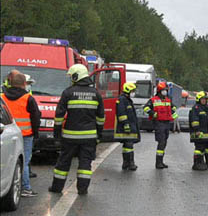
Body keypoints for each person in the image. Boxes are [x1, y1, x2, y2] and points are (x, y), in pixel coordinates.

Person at [50, 64, 104, 195]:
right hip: (89, 137)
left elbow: (59, 117)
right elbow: (101, 118)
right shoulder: (96, 94)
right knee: (85, 164)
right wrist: (99, 136)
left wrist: (57, 136)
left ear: (76, 76)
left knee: (63, 163)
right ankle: (82, 189)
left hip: (70, 137)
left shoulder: (68, 92)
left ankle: (57, 188)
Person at [1, 72, 41, 197]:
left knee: (9, 161)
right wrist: (35, 133)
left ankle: (11, 186)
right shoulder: (28, 98)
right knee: (24, 162)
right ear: (24, 84)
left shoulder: (2, 97)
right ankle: (26, 188)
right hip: (25, 135)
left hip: (7, 133)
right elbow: (35, 118)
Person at [144, 81, 178, 169]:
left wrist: (173, 112)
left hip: (167, 123)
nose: (165, 92)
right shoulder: (153, 100)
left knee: (164, 142)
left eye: (166, 90)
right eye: (164, 90)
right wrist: (152, 113)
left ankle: (161, 161)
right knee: (161, 142)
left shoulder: (167, 99)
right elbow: (146, 108)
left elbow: (173, 107)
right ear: (160, 90)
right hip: (159, 123)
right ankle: (158, 162)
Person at [115, 82, 140, 171]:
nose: (134, 92)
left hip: (129, 127)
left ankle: (126, 163)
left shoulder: (127, 99)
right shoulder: (122, 99)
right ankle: (130, 163)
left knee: (127, 146)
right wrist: (126, 124)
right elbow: (121, 113)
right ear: (128, 90)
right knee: (129, 145)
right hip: (126, 127)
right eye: (132, 90)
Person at [189, 91, 208, 170]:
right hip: (199, 132)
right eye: (202, 99)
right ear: (198, 99)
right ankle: (197, 164)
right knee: (199, 149)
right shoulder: (196, 108)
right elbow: (194, 121)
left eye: (205, 99)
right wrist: (197, 130)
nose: (204, 100)